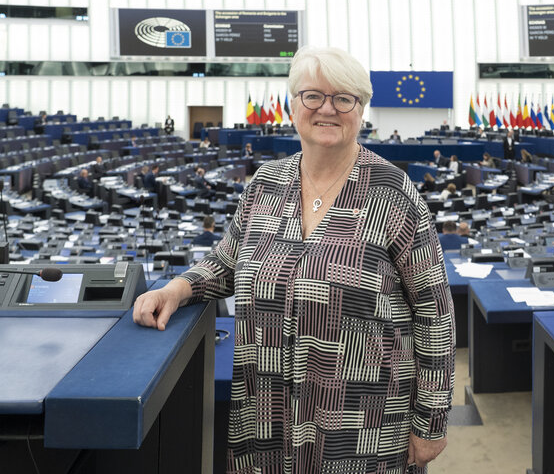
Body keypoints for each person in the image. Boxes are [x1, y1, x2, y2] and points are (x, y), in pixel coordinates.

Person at [133, 46, 454, 474]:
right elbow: (228, 260)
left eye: (344, 98)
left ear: (361, 109)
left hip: (363, 429)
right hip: (264, 417)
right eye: (313, 96)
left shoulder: (393, 194)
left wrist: (430, 423)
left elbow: (436, 314)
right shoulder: (266, 183)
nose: (328, 109)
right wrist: (179, 287)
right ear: (292, 104)